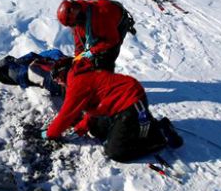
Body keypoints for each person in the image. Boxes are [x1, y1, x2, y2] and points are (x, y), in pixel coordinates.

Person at [40, 62, 183, 162]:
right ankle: (142, 127)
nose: (57, 82)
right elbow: (92, 110)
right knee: (96, 129)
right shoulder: (79, 76)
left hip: (130, 103)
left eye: (56, 78)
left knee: (116, 152)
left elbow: (66, 115)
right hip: (120, 103)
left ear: (63, 72)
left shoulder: (77, 83)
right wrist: (80, 128)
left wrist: (50, 133)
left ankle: (160, 136)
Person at [56, 0, 136, 72]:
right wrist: (78, 60)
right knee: (90, 57)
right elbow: (79, 44)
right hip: (100, 26)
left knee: (106, 58)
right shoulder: (78, 19)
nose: (74, 26)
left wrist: (92, 51)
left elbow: (112, 40)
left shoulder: (100, 15)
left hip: (116, 25)